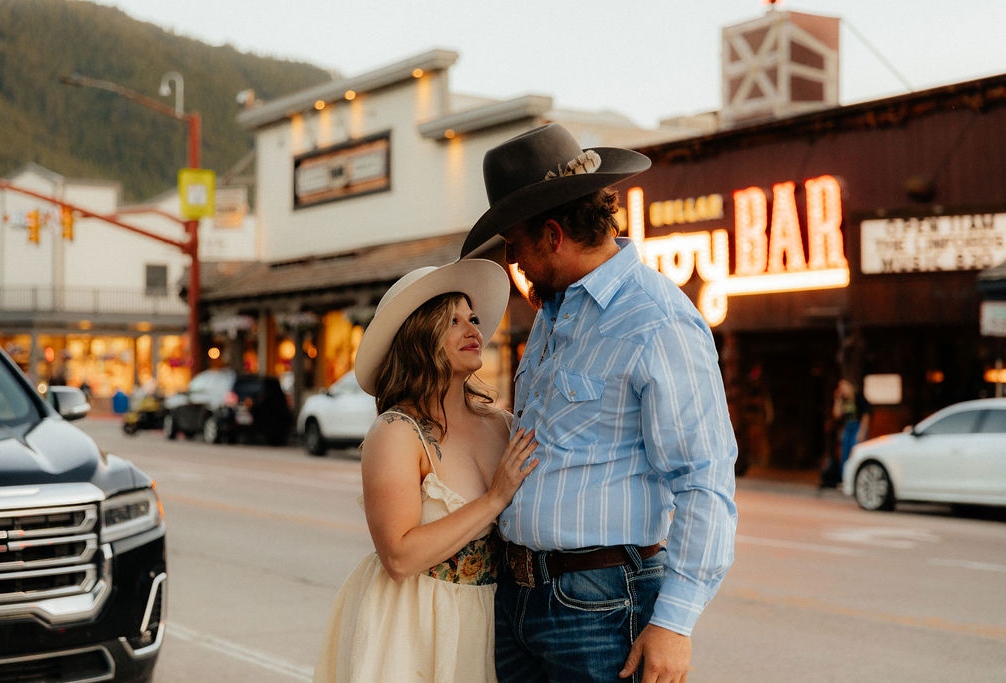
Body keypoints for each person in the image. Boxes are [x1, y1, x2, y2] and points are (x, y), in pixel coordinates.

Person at [460, 123, 738, 683]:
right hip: (520, 596)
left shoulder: (656, 319)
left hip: (602, 605)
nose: (514, 262)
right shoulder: (552, 314)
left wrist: (675, 622)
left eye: (515, 246)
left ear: (554, 235)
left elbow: (705, 476)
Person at [312, 259, 539, 683]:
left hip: (499, 619)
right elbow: (399, 556)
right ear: (421, 335)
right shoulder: (396, 432)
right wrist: (495, 498)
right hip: (415, 624)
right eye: (453, 321)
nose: (473, 330)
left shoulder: (502, 424)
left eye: (473, 318)